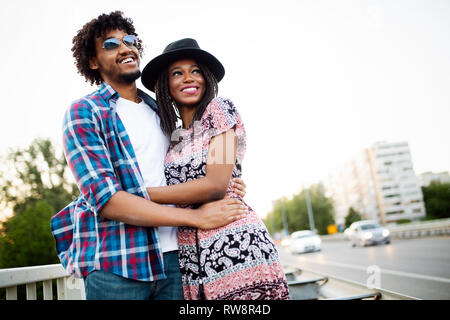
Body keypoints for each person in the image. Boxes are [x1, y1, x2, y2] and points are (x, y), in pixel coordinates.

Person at [50, 11, 248, 300]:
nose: (126, 48)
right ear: (93, 62)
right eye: (111, 44)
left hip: (178, 262)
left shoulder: (163, 111)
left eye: (129, 41)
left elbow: (194, 171)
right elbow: (106, 201)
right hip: (118, 265)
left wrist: (227, 184)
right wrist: (198, 218)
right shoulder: (85, 112)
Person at [140, 38, 290, 300]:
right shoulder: (174, 136)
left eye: (195, 70)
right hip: (192, 256)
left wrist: (138, 195)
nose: (188, 78)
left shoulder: (219, 110)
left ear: (207, 77)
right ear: (165, 84)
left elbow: (215, 186)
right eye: (177, 73)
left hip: (235, 245)